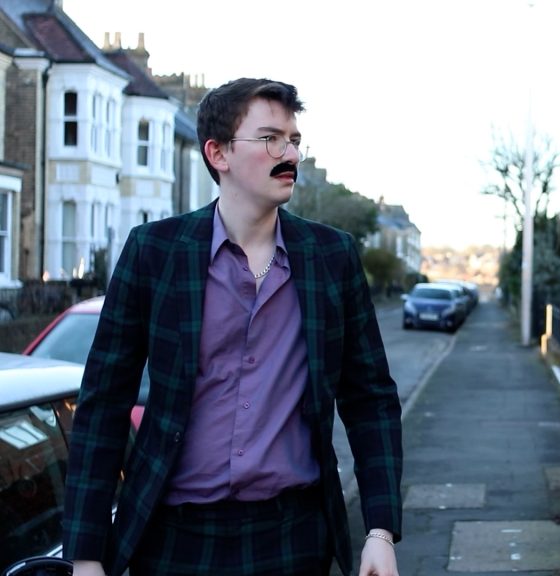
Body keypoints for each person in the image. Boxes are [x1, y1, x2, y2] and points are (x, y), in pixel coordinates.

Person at [62, 78, 403, 576]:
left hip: (293, 536)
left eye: (294, 140)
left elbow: (370, 399)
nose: (290, 154)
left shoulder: (332, 256)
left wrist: (380, 531)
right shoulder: (154, 251)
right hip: (172, 538)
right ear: (217, 153)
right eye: (271, 139)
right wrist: (86, 555)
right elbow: (103, 403)